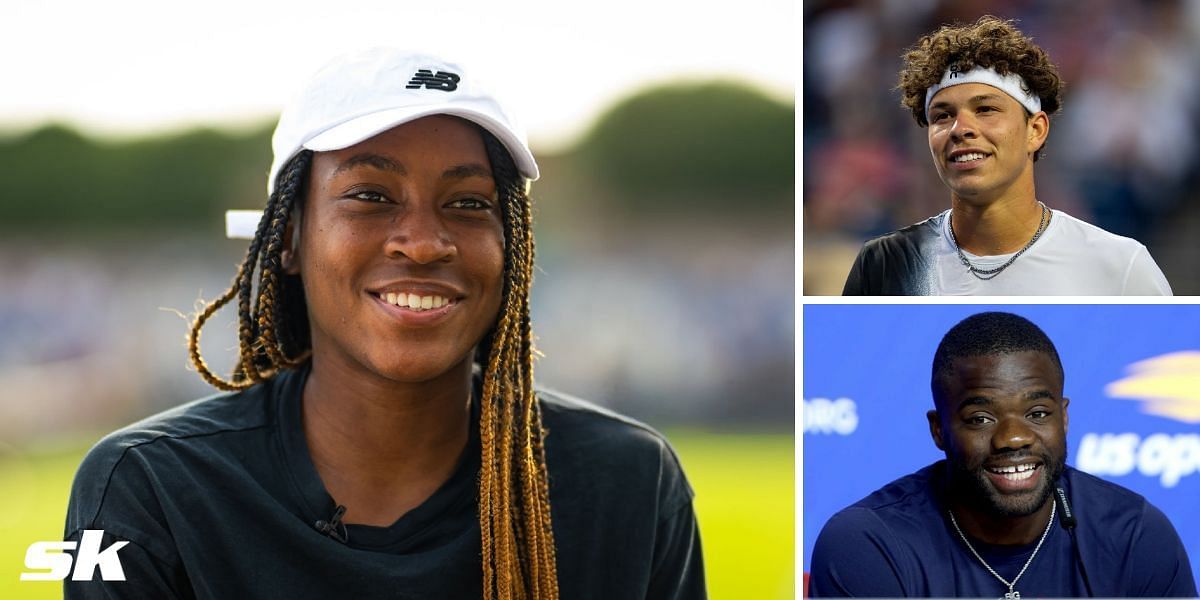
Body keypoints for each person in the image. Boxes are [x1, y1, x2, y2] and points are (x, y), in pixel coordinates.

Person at [62, 48, 706, 599]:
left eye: (468, 203)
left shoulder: (630, 482)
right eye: (371, 196)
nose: (424, 243)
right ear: (287, 237)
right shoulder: (151, 487)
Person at [809, 311, 1196, 597]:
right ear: (939, 430)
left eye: (1038, 413)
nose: (1013, 438)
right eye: (980, 418)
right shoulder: (869, 542)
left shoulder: (1134, 534)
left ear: (1063, 418)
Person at [841, 16, 1172, 295]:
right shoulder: (883, 264)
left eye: (985, 109)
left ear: (1036, 130)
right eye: (942, 115)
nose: (960, 128)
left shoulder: (1120, 265)